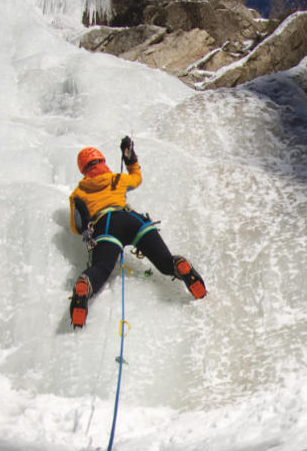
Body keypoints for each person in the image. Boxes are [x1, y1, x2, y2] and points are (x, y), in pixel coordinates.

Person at [68, 136, 205, 328]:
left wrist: (85, 214)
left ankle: (86, 284)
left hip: (106, 225)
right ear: (102, 161)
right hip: (134, 220)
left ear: (83, 169)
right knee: (165, 262)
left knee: (101, 268)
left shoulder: (78, 193)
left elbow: (77, 227)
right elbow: (137, 179)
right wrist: (130, 160)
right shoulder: (117, 179)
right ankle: (179, 265)